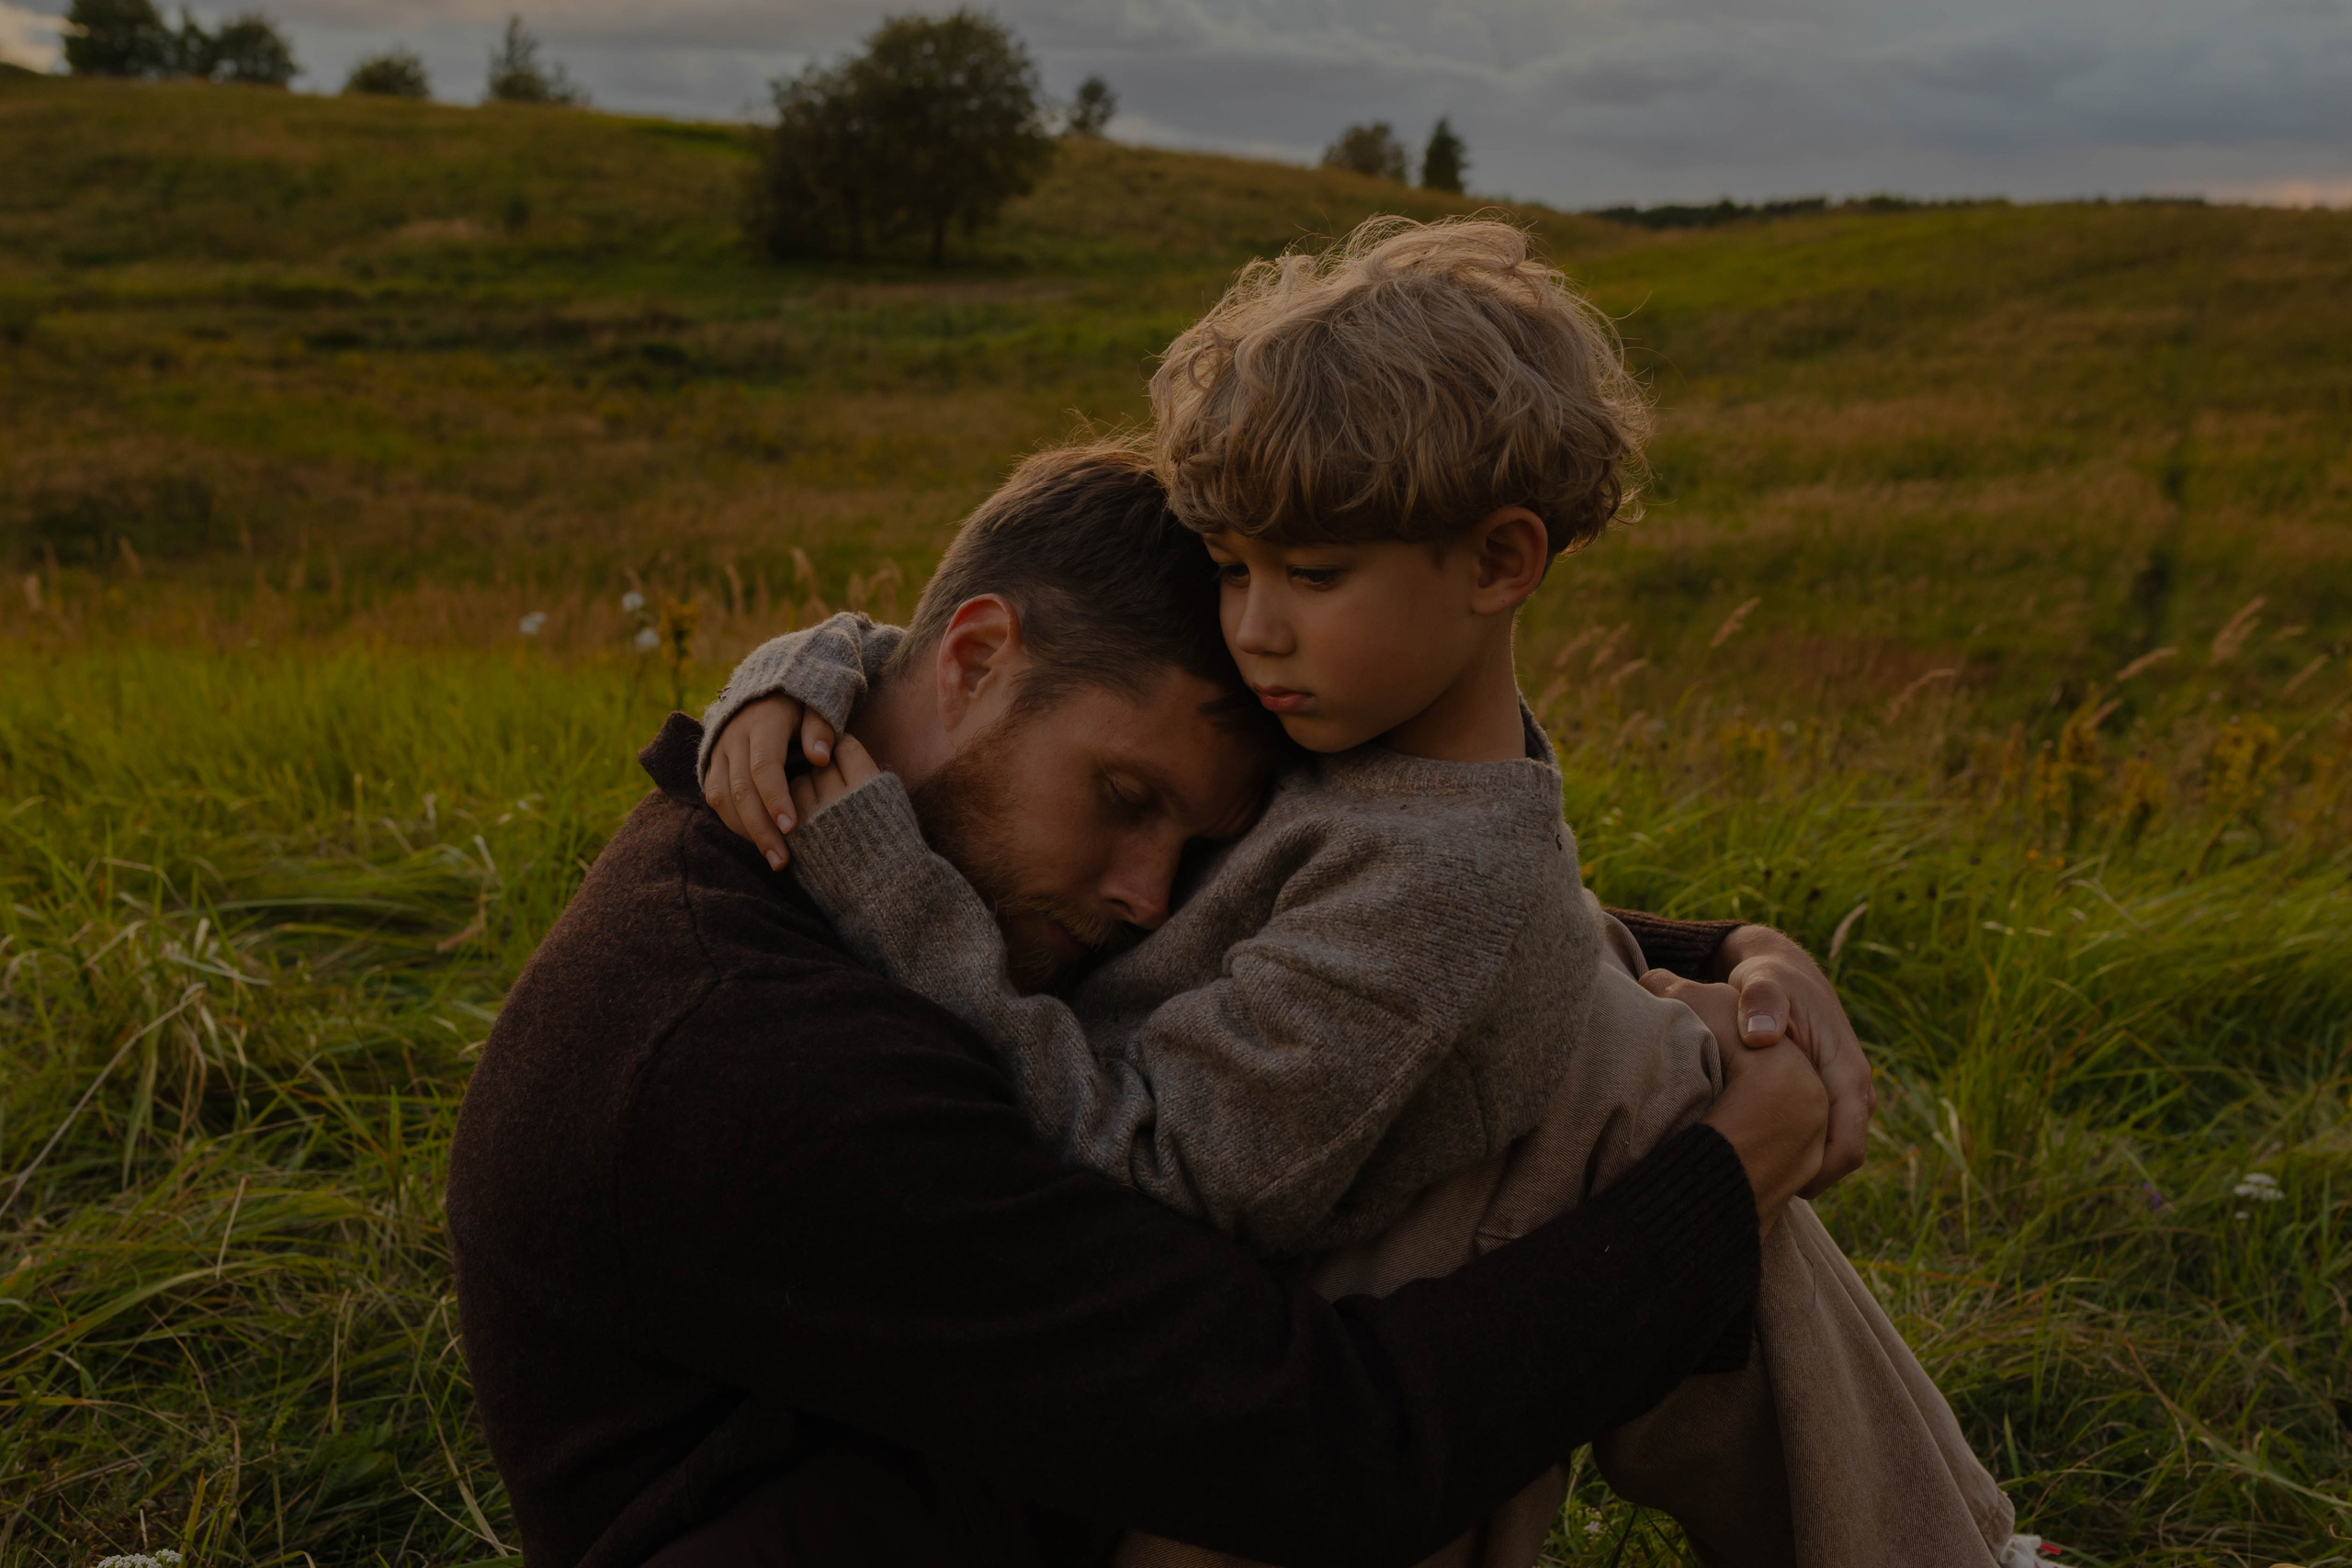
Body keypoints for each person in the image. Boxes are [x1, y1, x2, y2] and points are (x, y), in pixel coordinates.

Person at [699, 220, 2022, 1567]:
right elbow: (985, 636)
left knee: (1650, 1075)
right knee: (1647, 1056)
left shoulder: (1438, 864)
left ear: (1502, 563)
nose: (1254, 627)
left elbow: (1156, 1173)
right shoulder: (1342, 725)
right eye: (1232, 568)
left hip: (1278, 1385)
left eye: (1312, 577)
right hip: (1187, 1359)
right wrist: (811, 668)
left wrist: (881, 875)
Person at [449, 442, 1834, 1568]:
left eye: (1194, 842)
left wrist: (1715, 953)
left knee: (1611, 1038)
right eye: (1127, 803)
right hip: (1076, 1500)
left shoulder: (873, 825)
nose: (1150, 898)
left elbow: (1355, 941)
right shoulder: (763, 1068)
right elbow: (1338, 1457)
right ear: (975, 659)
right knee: (1625, 1087)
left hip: (1033, 1469)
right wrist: (1720, 1187)